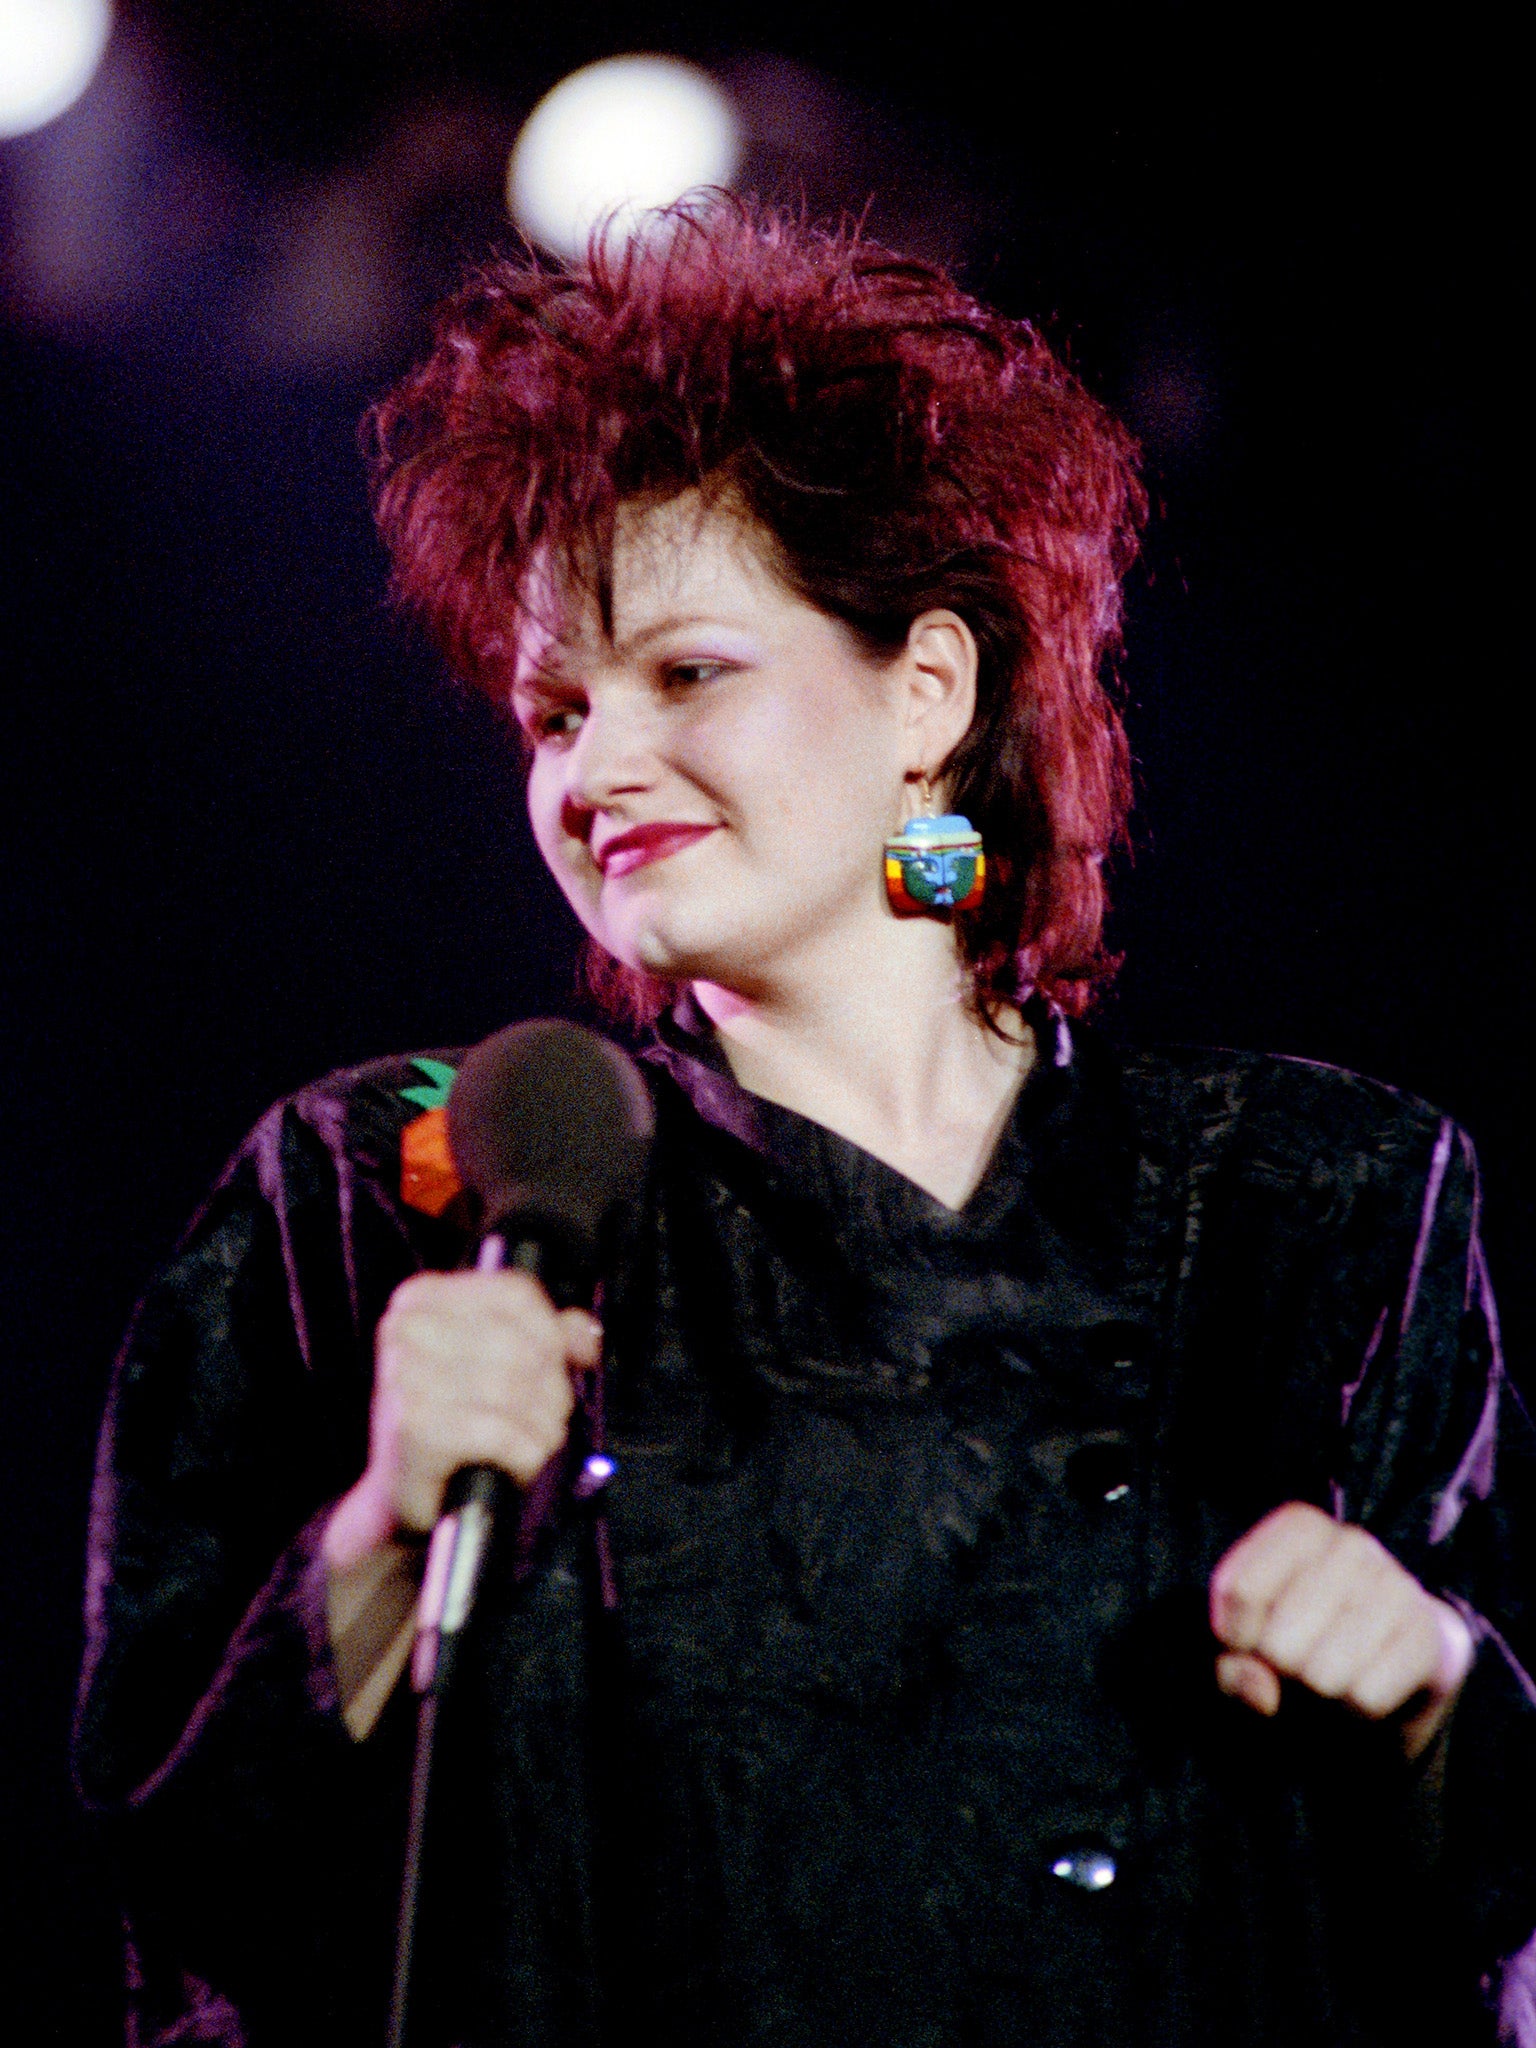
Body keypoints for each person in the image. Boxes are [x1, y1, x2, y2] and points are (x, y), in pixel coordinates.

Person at [75, 201, 1536, 2047]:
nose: (594, 774)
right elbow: (178, 1881)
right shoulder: (390, 1200)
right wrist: (373, 1539)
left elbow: (1491, 1889)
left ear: (929, 690)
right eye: (551, 713)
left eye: (686, 674)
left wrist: (1420, 1677)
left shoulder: (1311, 1208)